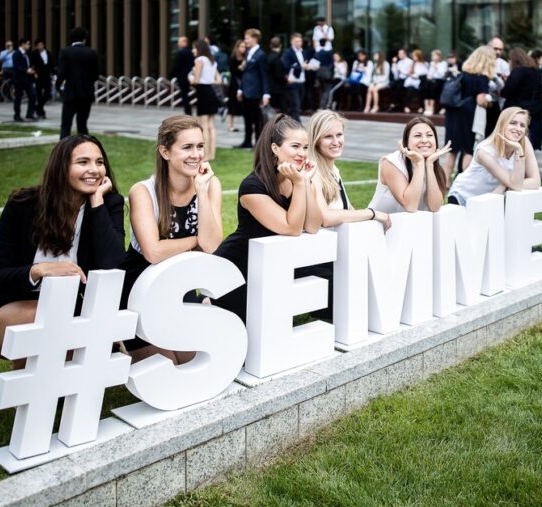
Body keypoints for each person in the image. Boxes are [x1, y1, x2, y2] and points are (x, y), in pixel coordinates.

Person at [0, 135, 125, 368]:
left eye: (99, 162)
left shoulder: (108, 204)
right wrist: (38, 270)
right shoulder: (23, 204)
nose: (94, 170)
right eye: (83, 162)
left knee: (74, 352)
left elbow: (113, 265)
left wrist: (96, 203)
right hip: (13, 306)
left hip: (69, 309)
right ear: (61, 167)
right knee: (45, 322)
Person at [121, 115, 223, 362]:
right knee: (167, 365)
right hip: (140, 290)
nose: (196, 155)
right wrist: (195, 240)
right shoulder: (142, 191)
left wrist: (201, 191)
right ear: (165, 152)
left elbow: (211, 245)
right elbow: (153, 252)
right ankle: (120, 339)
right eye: (187, 147)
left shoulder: (209, 185)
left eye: (200, 146)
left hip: (180, 286)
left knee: (194, 361)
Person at [213, 114, 321, 324]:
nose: (302, 153)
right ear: (275, 148)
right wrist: (300, 184)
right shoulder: (252, 186)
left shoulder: (300, 181)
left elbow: (313, 226)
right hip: (237, 268)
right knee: (232, 327)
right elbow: (292, 228)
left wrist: (305, 184)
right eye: (295, 146)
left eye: (305, 147)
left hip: (268, 267)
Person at [309, 110, 392, 228]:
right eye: (328, 136)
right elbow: (326, 218)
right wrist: (372, 213)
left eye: (339, 135)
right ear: (316, 141)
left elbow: (348, 209)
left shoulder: (333, 169)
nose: (336, 142)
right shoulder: (313, 172)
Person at [448, 107, 541, 205]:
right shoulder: (484, 150)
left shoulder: (524, 143)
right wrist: (510, 183)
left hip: (488, 199)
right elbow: (516, 185)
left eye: (522, 125)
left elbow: (535, 182)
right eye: (513, 123)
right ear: (502, 124)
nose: (518, 129)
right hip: (463, 196)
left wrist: (505, 185)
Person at [369, 116, 448, 214]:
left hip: (410, 222)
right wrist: (419, 164)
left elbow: (434, 207)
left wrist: (429, 165)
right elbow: (410, 206)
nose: (424, 140)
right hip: (378, 222)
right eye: (417, 136)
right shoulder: (391, 163)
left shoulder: (434, 167)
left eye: (429, 135)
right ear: (406, 142)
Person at [443, 46, 496, 184]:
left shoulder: (463, 74)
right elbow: (481, 100)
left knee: (451, 151)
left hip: (454, 112)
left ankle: (444, 184)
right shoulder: (482, 78)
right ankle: (462, 183)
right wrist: (490, 103)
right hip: (468, 115)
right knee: (468, 149)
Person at [55, 26, 100, 139]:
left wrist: (58, 86)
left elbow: (61, 73)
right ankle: (85, 145)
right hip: (86, 93)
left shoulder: (65, 52)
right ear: (84, 39)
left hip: (70, 93)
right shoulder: (92, 53)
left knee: (66, 124)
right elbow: (96, 75)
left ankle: (63, 147)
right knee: (82, 124)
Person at [501, 48, 542, 152]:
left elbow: (506, 92)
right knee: (526, 142)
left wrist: (505, 84)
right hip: (533, 111)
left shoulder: (518, 71)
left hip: (516, 110)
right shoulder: (535, 71)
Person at [237, 28, 271, 149]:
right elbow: (245, 73)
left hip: (256, 92)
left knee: (257, 120)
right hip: (246, 91)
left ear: (255, 39)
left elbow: (264, 75)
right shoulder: (248, 52)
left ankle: (258, 143)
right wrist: (240, 89)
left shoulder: (261, 55)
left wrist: (266, 94)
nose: (245, 40)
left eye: (247, 38)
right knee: (247, 118)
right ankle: (247, 141)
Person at [190, 39, 221, 161]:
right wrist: (209, 80)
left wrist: (191, 79)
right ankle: (212, 154)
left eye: (194, 47)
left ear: (199, 48)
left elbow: (197, 80)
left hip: (203, 92)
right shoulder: (212, 61)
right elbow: (219, 80)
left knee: (203, 125)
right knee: (211, 125)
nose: (192, 50)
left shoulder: (199, 60)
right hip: (211, 91)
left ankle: (206, 155)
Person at [282, 33, 308, 121]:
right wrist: (300, 66)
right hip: (293, 82)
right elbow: (286, 66)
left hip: (302, 81)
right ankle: (297, 124)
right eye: (296, 41)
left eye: (300, 41)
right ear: (291, 42)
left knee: (298, 104)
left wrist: (307, 66)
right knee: (295, 104)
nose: (299, 43)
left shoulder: (303, 52)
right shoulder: (288, 52)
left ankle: (292, 121)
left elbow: (304, 64)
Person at [12, 38, 37, 122]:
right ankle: (17, 115)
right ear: (22, 44)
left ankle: (30, 114)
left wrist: (31, 70)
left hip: (28, 79)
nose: (29, 46)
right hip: (19, 79)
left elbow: (28, 65)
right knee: (18, 97)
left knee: (33, 95)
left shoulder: (27, 54)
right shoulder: (16, 54)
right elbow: (16, 66)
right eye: (28, 44)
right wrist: (26, 70)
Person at [169, 36, 195, 116]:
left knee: (184, 94)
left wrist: (171, 75)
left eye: (179, 42)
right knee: (187, 94)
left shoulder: (180, 53)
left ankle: (187, 111)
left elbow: (177, 65)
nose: (178, 44)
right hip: (191, 76)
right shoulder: (191, 52)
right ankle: (188, 110)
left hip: (183, 77)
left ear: (184, 42)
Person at [227, 39, 247, 133]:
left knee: (245, 105)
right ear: (237, 47)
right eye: (241, 46)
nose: (243, 48)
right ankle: (230, 125)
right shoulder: (233, 58)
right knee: (232, 105)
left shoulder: (247, 57)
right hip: (234, 84)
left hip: (244, 83)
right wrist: (241, 67)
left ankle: (248, 124)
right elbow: (233, 71)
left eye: (244, 47)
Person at [31, 39, 55, 119]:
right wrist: (34, 73)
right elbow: (32, 64)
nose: (40, 46)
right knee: (39, 94)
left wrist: (54, 74)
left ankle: (38, 107)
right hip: (38, 76)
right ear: (36, 46)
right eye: (38, 45)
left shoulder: (48, 53)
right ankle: (41, 112)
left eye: (41, 44)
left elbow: (51, 64)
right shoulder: (34, 54)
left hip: (47, 75)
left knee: (47, 93)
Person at [266, 37, 288, 114]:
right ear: (280, 45)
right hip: (278, 89)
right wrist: (286, 79)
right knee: (282, 111)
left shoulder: (268, 57)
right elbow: (278, 74)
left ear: (270, 45)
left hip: (269, 87)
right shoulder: (277, 58)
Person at [423, 49, 448, 115]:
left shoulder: (443, 63)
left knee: (433, 87)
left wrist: (436, 67)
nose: (432, 57)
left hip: (440, 80)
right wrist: (429, 76)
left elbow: (442, 75)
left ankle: (431, 107)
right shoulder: (432, 63)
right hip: (431, 80)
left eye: (434, 55)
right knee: (426, 86)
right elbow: (429, 74)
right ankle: (427, 107)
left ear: (438, 56)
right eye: (432, 56)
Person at [403, 49, 428, 113]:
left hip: (420, 81)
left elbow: (425, 73)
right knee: (409, 90)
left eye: (415, 56)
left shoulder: (425, 64)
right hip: (412, 81)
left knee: (421, 91)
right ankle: (406, 106)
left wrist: (418, 76)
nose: (413, 57)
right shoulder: (412, 63)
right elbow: (409, 73)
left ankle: (421, 107)